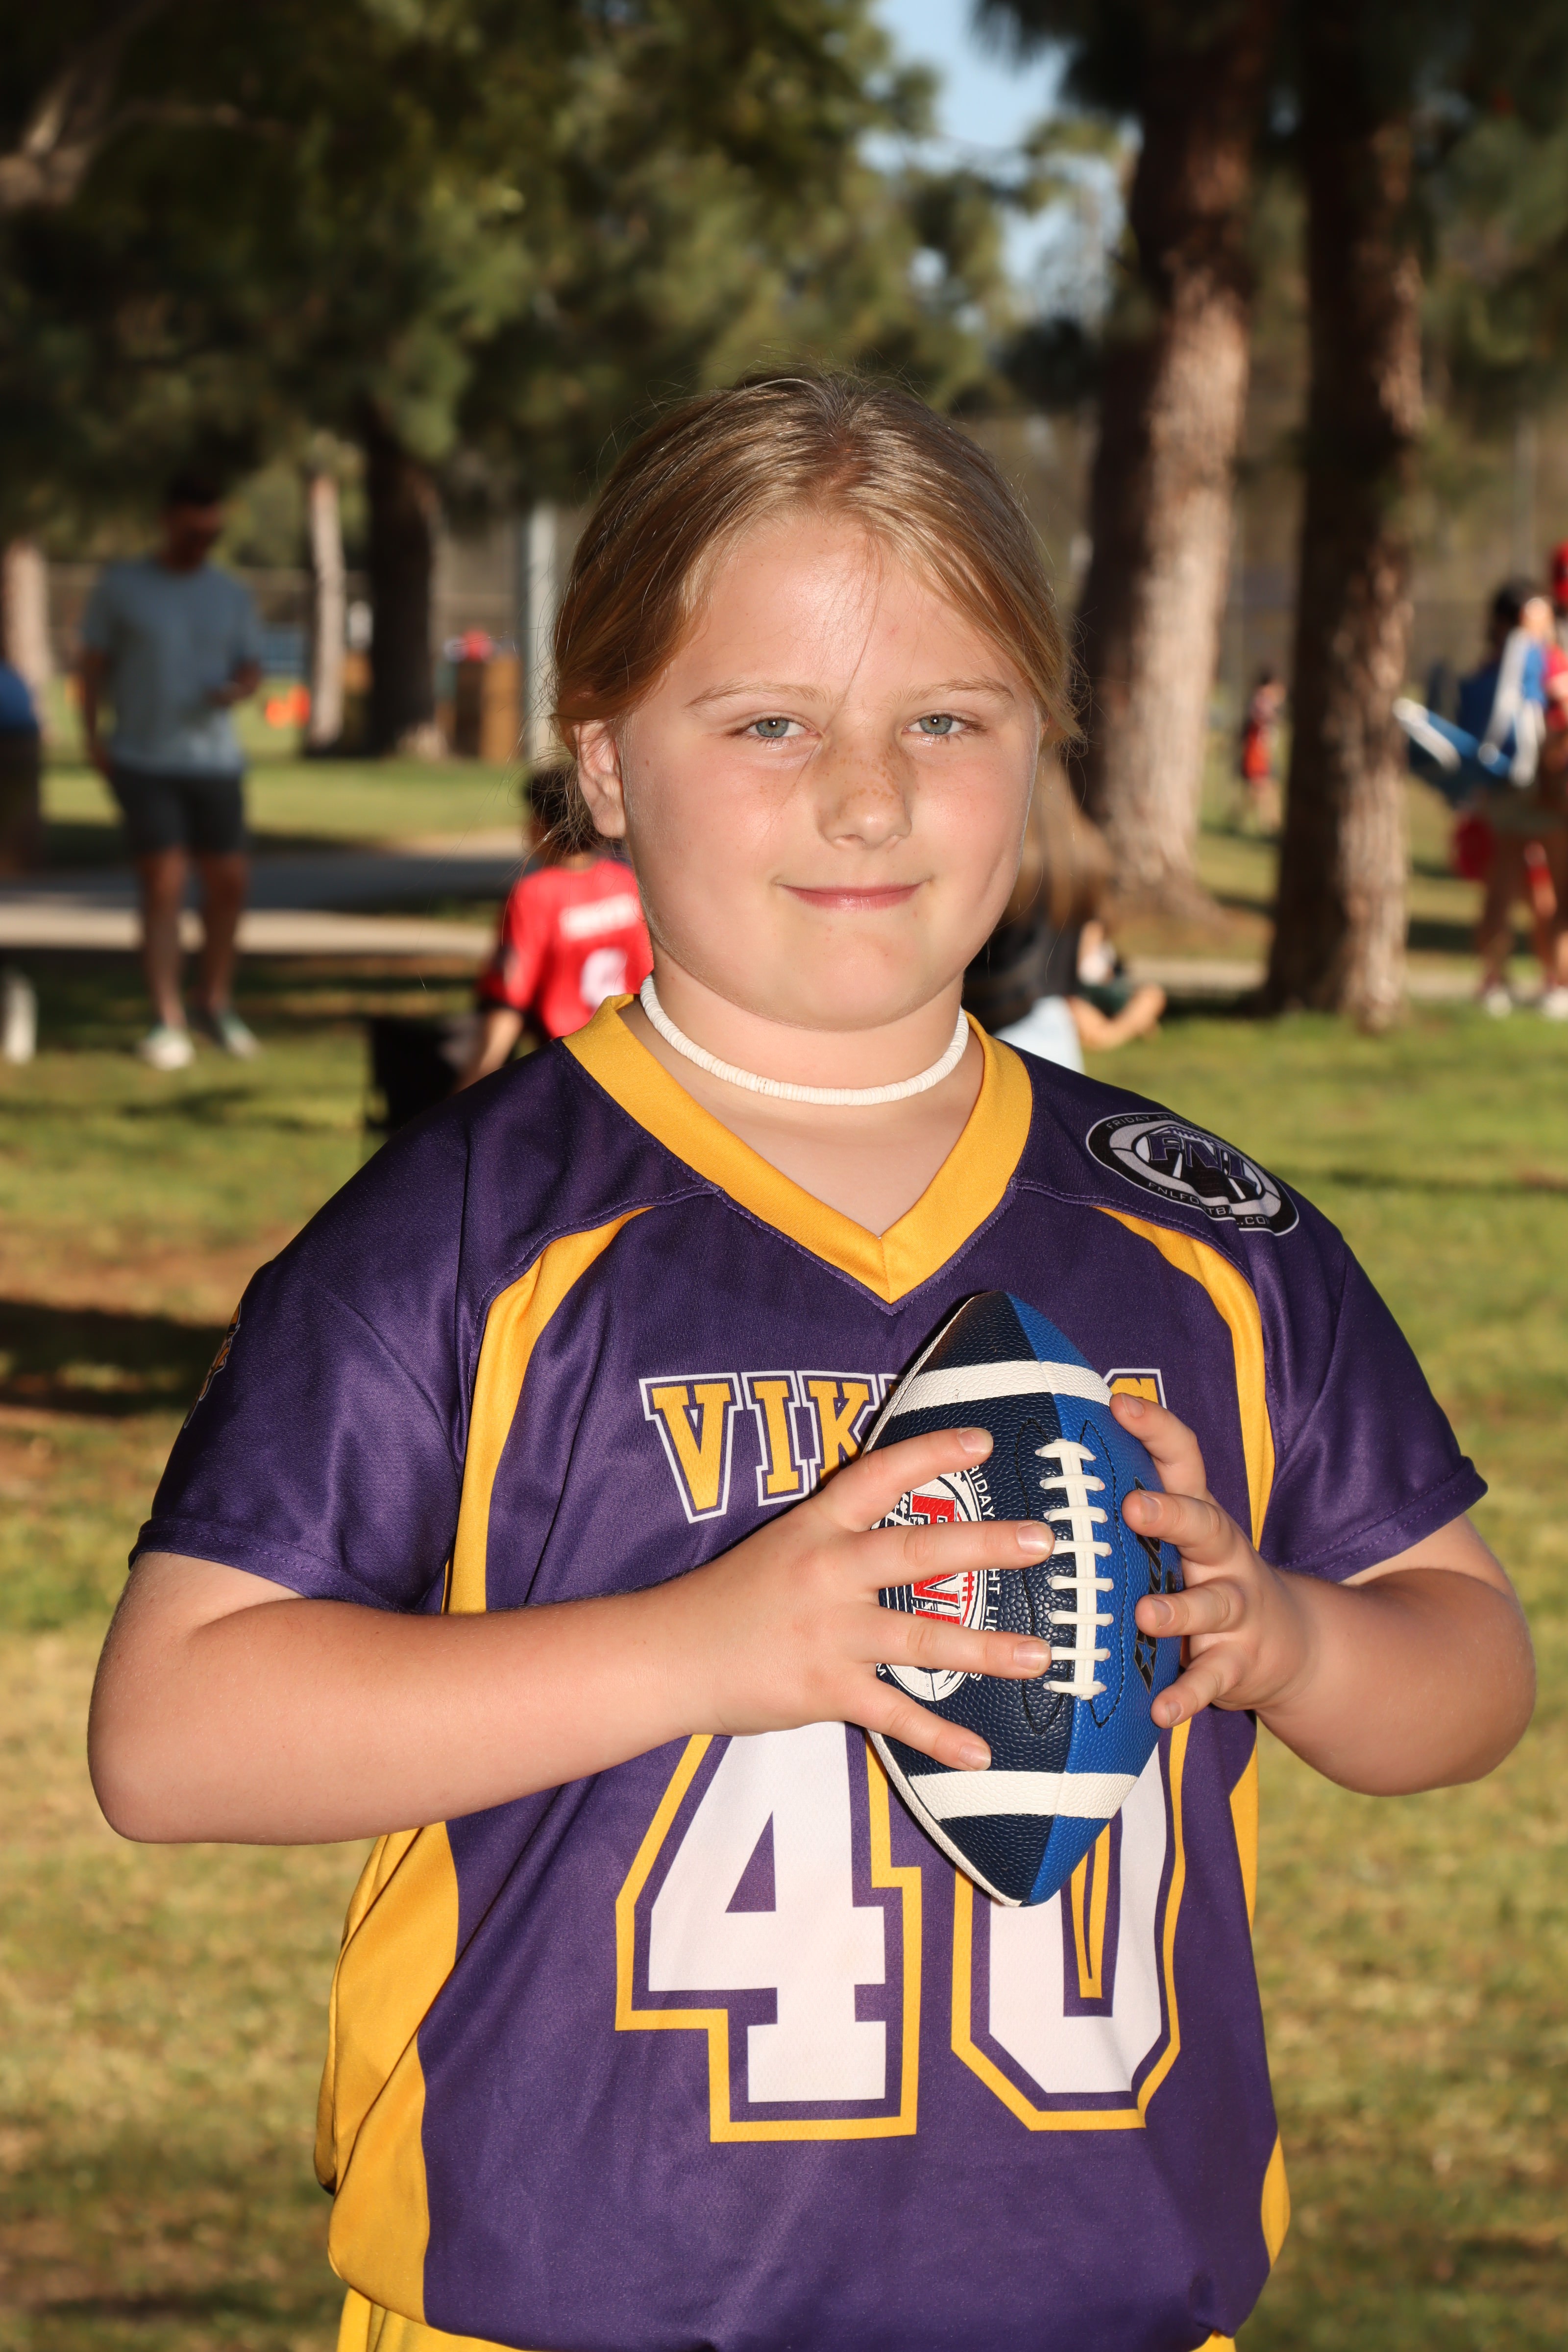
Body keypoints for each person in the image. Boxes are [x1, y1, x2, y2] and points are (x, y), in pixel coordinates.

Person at [88, 377, 1532, 2352]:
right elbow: (171, 1737)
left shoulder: (1206, 1239)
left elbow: (1468, 1669)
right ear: (603, 760)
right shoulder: (466, 1232)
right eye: (769, 724)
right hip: (561, 2314)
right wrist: (709, 1649)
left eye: (945, 721)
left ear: (1040, 745)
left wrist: (1285, 1638)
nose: (867, 798)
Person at [80, 470, 263, 1070]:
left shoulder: (231, 592)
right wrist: (92, 738)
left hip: (215, 759)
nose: (200, 546)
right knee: (163, 884)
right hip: (143, 756)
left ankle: (214, 1000)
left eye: (210, 536)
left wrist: (239, 689)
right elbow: (92, 666)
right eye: (191, 534)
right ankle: (167, 1019)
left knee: (229, 883)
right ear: (166, 523)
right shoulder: (123, 587)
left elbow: (251, 666)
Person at [455, 763, 652, 1087]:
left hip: (570, 1067)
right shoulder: (627, 883)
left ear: (545, 825)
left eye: (531, 817)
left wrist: (473, 1085)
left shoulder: (535, 895)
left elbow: (508, 1002)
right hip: (634, 1055)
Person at [964, 759, 1165, 1067]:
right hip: (1053, 1043)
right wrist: (1130, 1020)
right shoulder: (1082, 864)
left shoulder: (994, 869)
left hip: (992, 1039)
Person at [1237, 666, 1284, 832]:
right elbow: (1262, 719)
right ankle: (1269, 823)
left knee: (1261, 789)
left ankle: (1241, 818)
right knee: (1261, 789)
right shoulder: (1260, 701)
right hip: (1255, 750)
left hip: (1262, 752)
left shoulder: (1263, 700)